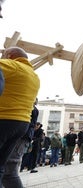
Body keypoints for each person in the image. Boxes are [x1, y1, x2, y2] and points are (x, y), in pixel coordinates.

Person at [0, 47, 40, 185]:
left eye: (4, 55)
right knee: (3, 169)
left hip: (4, 118)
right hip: (21, 124)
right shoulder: (34, 76)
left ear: (10, 55)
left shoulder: (14, 65)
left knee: (8, 171)